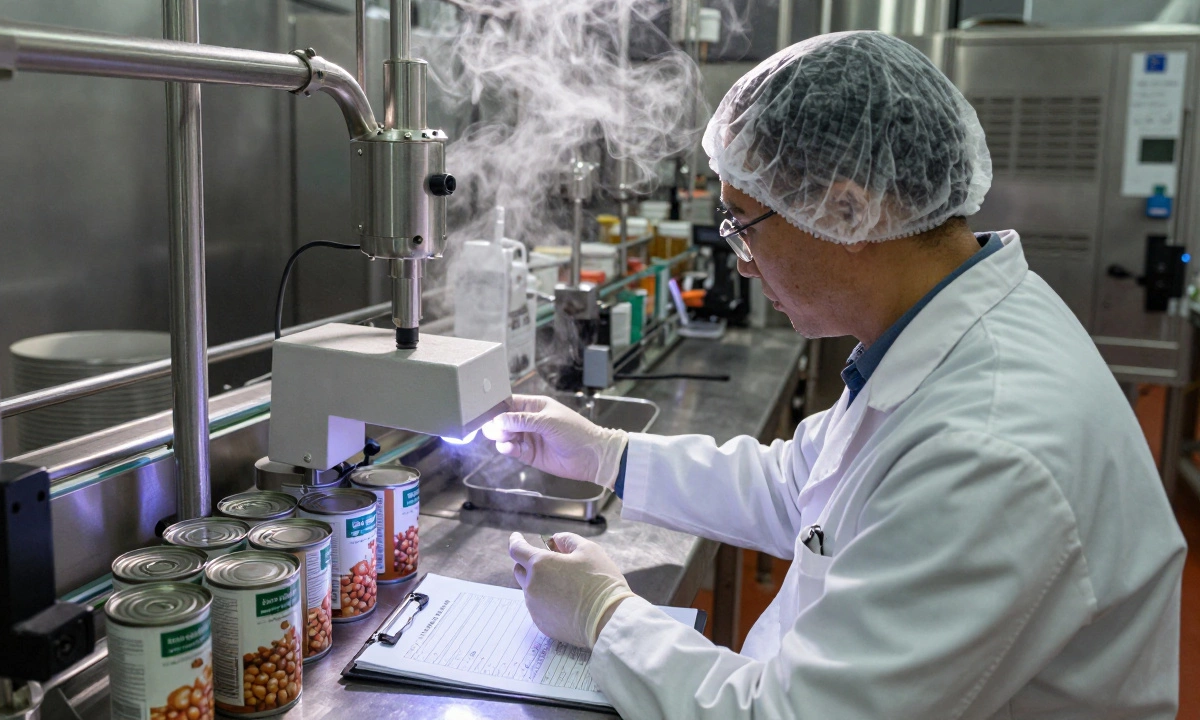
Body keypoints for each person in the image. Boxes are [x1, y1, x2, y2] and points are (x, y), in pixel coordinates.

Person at [482, 31, 1186, 719]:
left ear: (847, 211)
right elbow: (800, 487)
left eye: (743, 223)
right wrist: (605, 454)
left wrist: (607, 617)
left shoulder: (987, 450)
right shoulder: (941, 335)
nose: (742, 262)